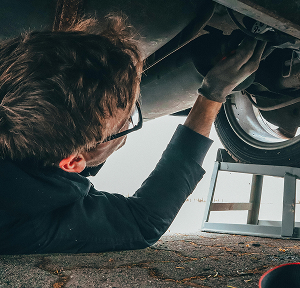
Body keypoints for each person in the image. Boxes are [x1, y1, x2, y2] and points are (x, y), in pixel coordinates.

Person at [0, 15, 266, 255]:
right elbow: (143, 221)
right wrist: (212, 95)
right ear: (72, 162)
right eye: (126, 122)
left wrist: (213, 94)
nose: (128, 121)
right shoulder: (26, 223)